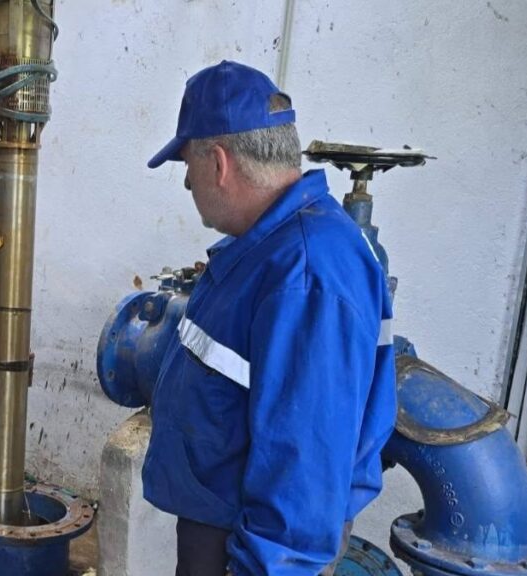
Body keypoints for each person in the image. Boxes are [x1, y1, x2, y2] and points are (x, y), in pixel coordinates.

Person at [142, 60, 396, 576]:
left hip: (253, 547)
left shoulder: (306, 272)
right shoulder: (269, 249)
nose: (187, 182)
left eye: (187, 163)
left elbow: (304, 466)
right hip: (224, 521)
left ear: (219, 162)